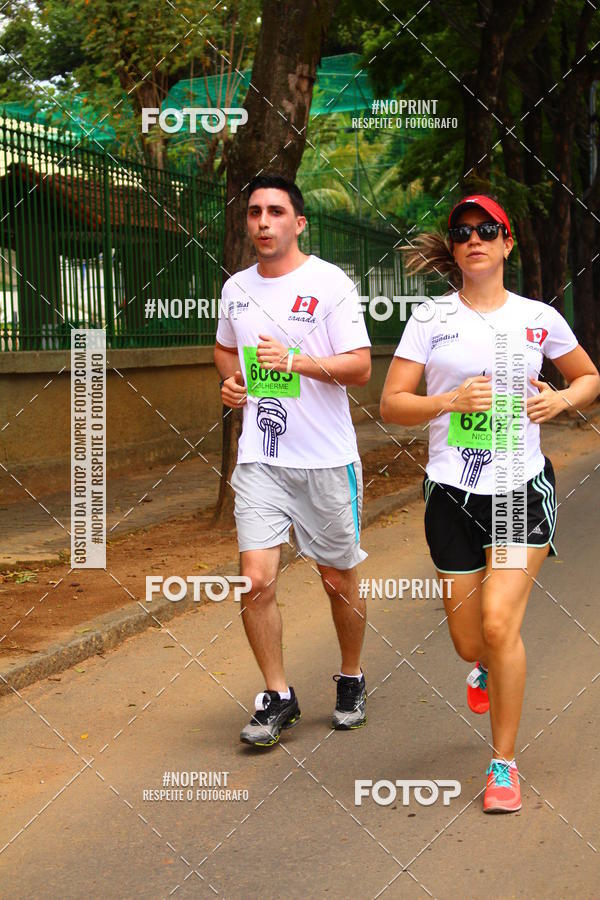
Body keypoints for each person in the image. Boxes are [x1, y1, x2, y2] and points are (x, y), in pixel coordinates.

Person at [380, 194, 600, 812]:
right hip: (451, 491)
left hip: (517, 488)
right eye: (462, 231)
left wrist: (561, 402)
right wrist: (447, 403)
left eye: (487, 230)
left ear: (507, 243)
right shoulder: (429, 319)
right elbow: (392, 404)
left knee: (501, 624)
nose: (474, 238)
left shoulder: (538, 317)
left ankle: (503, 764)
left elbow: (589, 376)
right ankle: (481, 667)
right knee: (468, 640)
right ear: (453, 247)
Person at [214, 174, 372, 747]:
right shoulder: (235, 289)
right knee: (255, 580)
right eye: (254, 211)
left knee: (337, 578)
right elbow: (226, 349)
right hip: (261, 457)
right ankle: (278, 695)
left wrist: (297, 361)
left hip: (327, 460)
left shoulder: (329, 284)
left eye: (275, 212)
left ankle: (351, 676)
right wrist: (232, 383)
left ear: (298, 223)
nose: (263, 221)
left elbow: (359, 367)